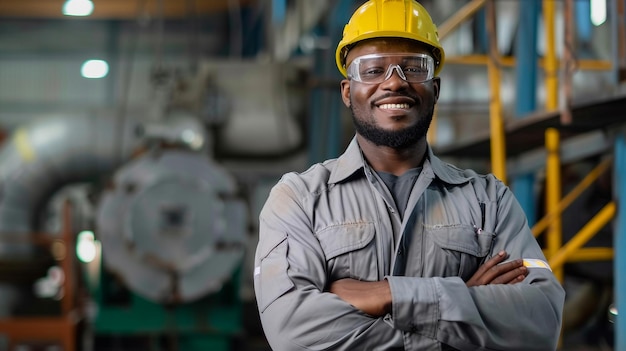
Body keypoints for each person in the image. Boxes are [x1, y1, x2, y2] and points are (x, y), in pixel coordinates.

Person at [253, 0, 565, 350]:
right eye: (372, 70)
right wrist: (460, 302)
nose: (394, 83)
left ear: (436, 88)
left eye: (414, 68)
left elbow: (541, 321)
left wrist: (388, 294)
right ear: (346, 91)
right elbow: (293, 332)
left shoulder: (489, 201)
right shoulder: (299, 199)